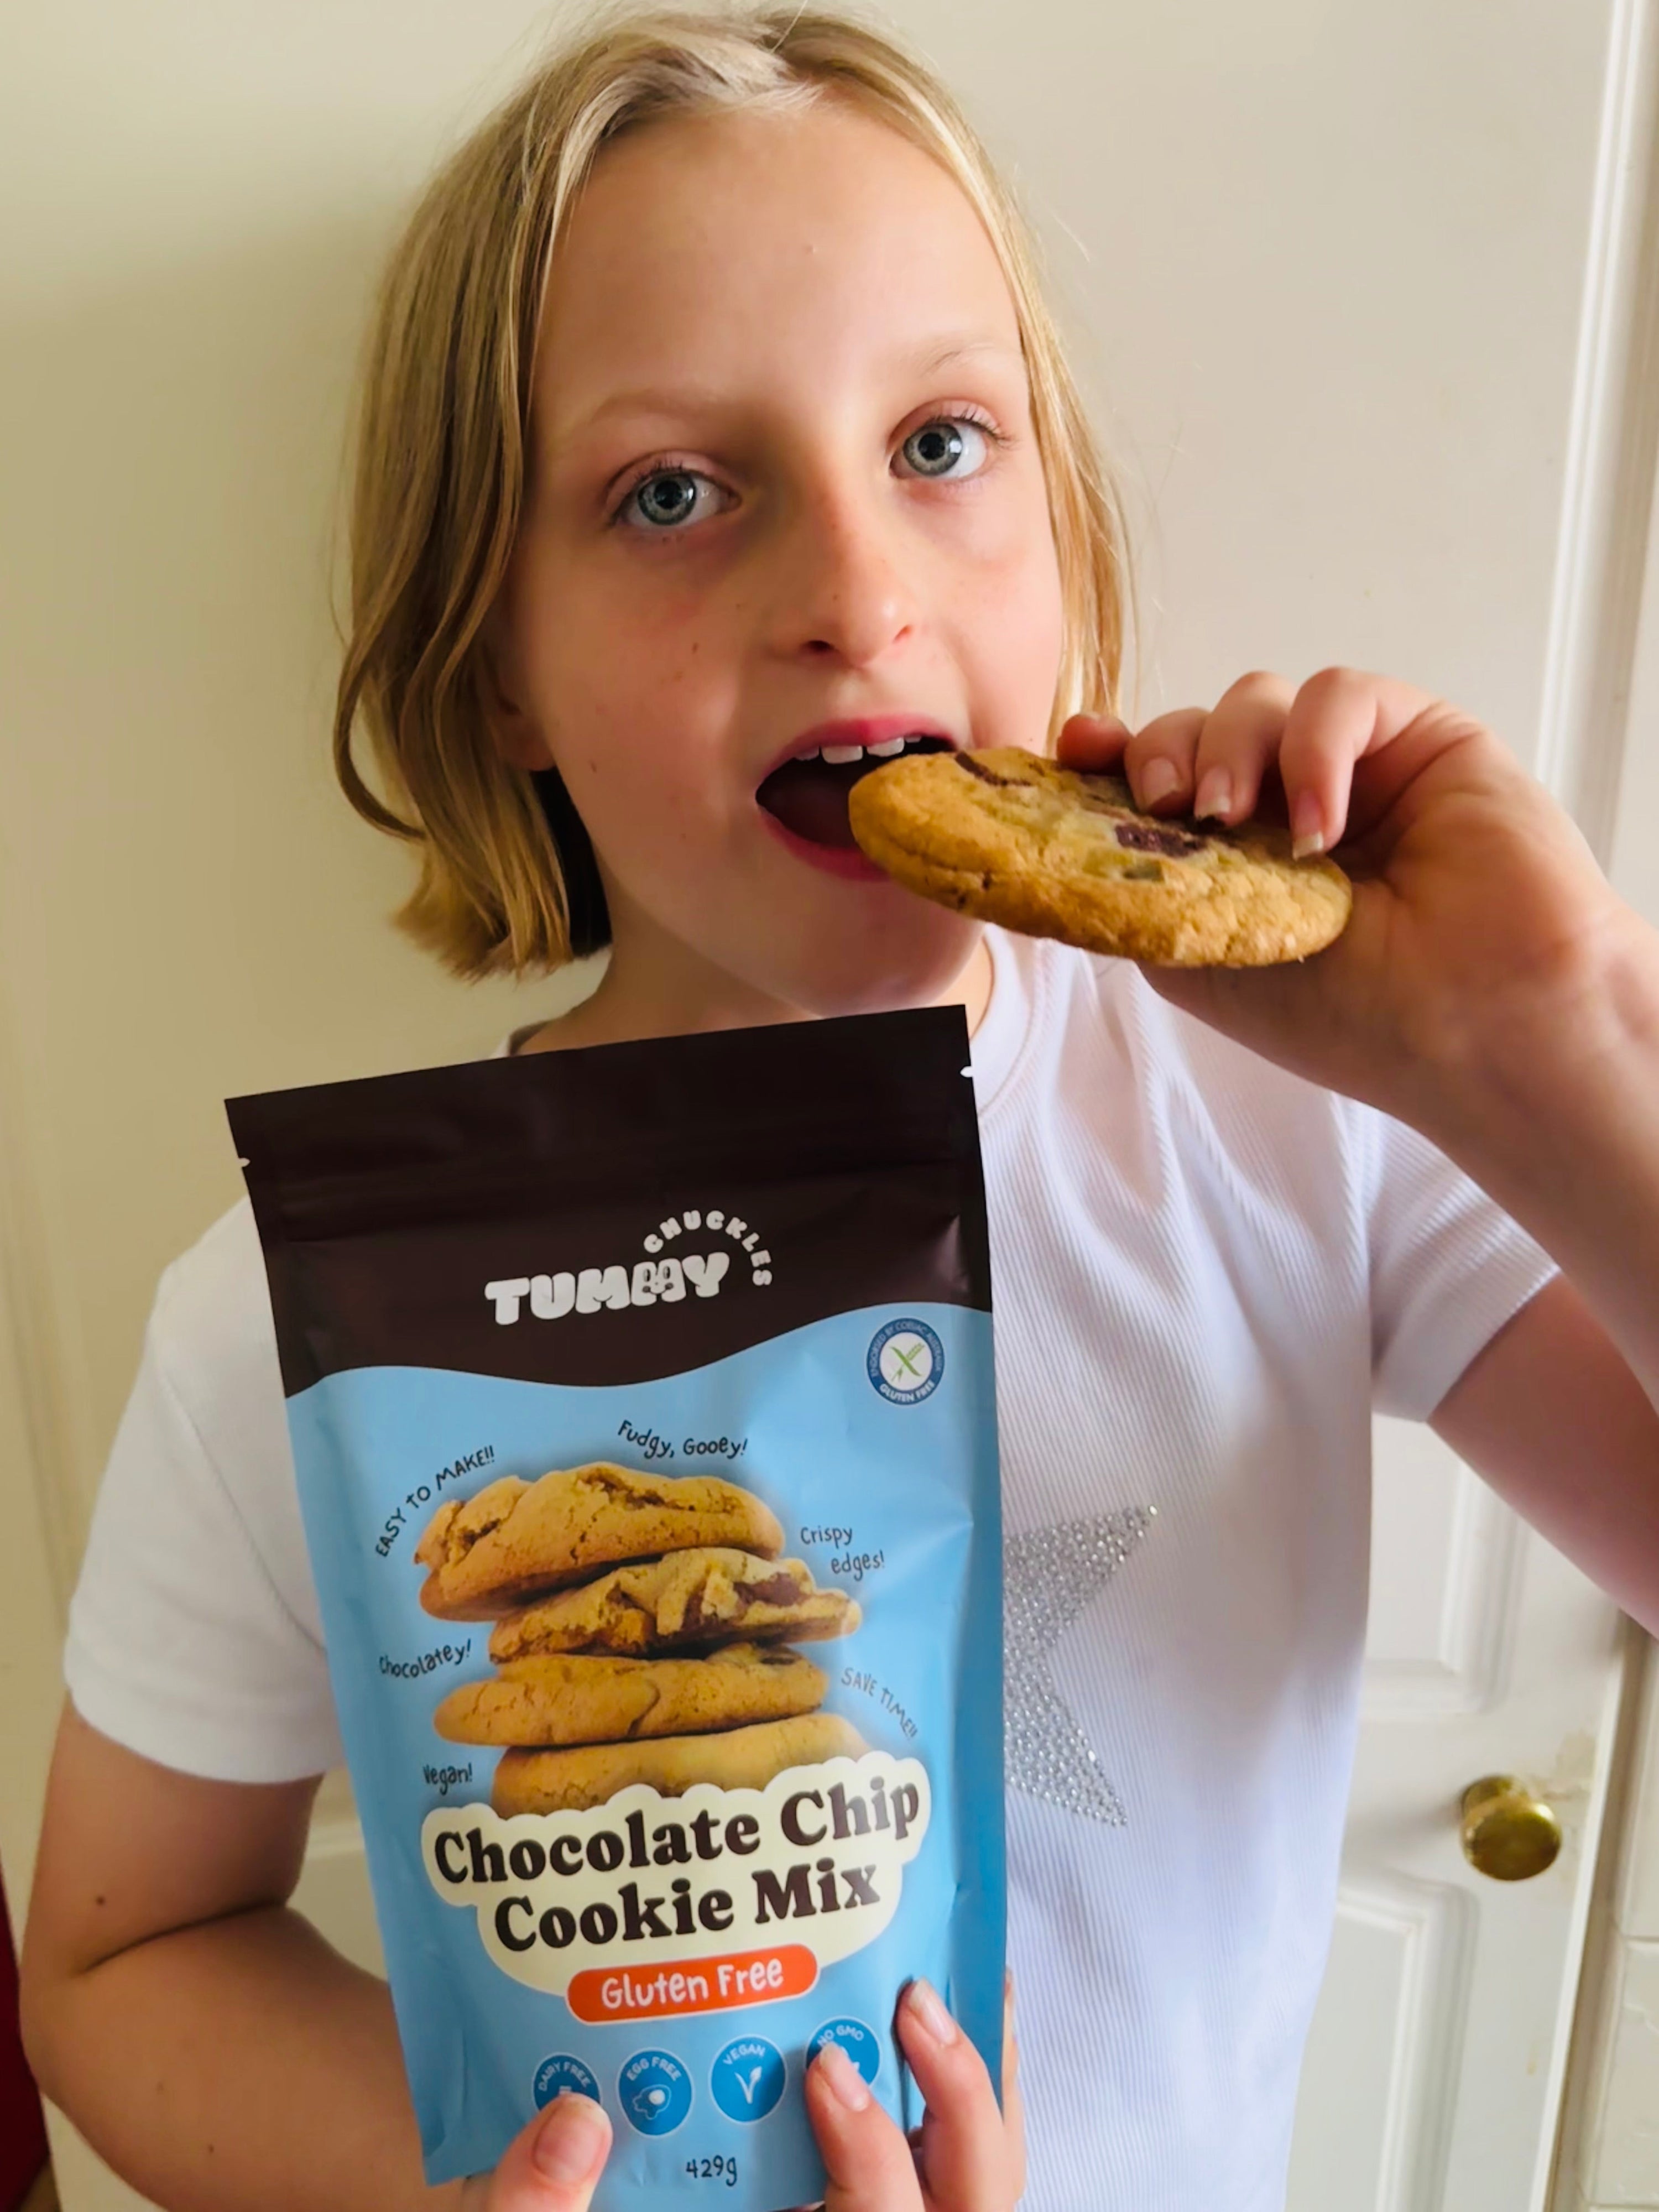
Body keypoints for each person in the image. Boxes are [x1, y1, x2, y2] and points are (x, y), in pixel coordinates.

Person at [19, 9, 1659, 2211]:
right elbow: (124, 1953)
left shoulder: (1294, 1109)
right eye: (674, 492)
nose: (861, 592)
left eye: (946, 440)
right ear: (494, 650)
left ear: (1062, 518)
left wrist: (1537, 1048)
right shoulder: (314, 1317)